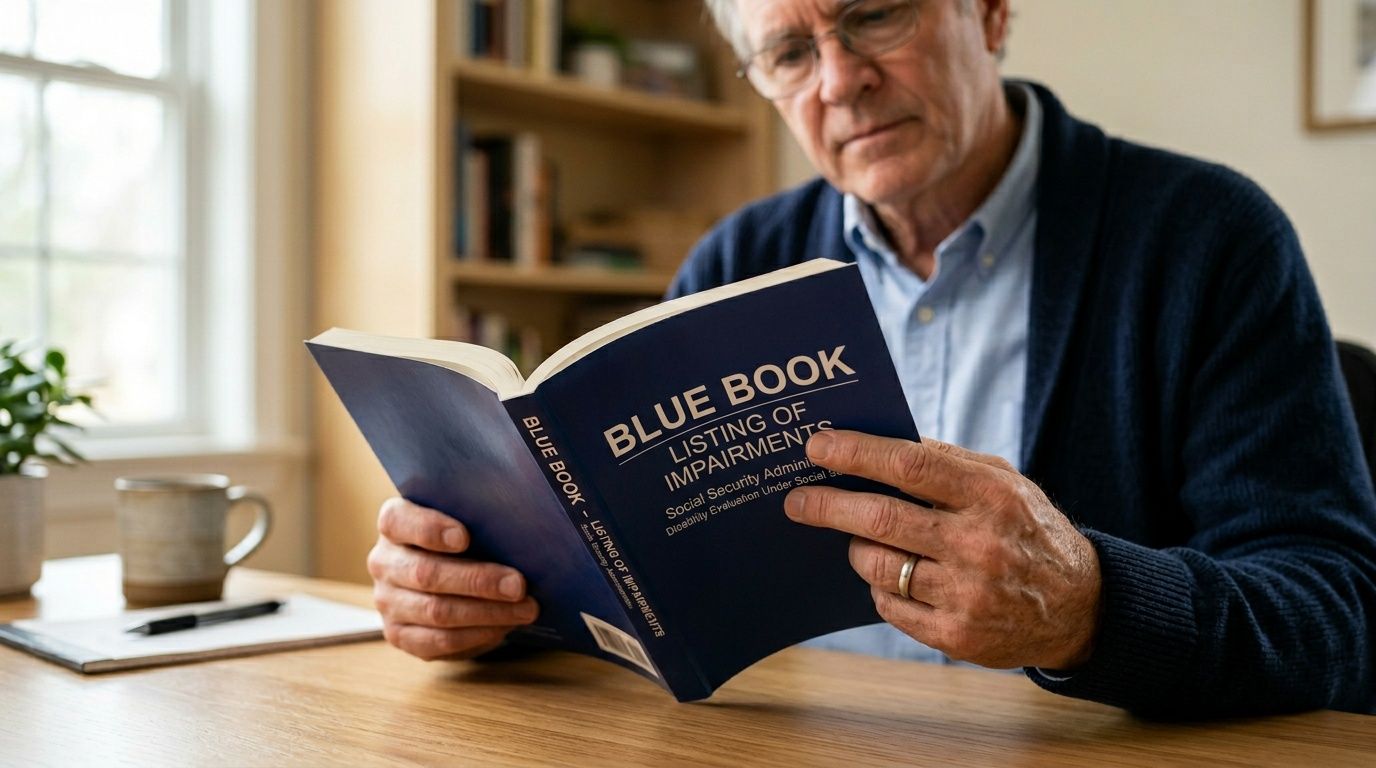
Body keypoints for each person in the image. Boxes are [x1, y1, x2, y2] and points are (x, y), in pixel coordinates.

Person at [367, 0, 1376, 718]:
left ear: (989, 12)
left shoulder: (1209, 238)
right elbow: (647, 590)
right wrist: (482, 599)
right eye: (788, 52)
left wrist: (1087, 610)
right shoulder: (739, 261)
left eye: (875, 16)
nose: (840, 80)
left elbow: (1333, 609)